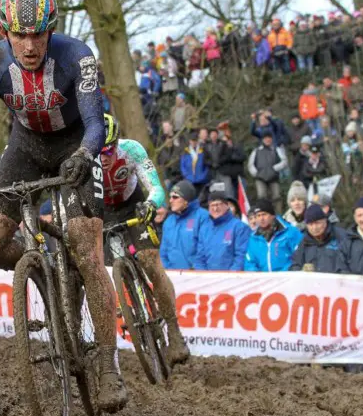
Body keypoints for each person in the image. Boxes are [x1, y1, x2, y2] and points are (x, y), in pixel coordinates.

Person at [0, 0, 127, 412]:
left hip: (76, 146)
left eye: (37, 33)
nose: (28, 45)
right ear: (5, 32)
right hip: (24, 148)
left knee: (89, 255)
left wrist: (83, 155)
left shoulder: (77, 55)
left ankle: (109, 367)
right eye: (19, 35)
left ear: (50, 29)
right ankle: (39, 257)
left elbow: (97, 122)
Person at [100, 114, 189, 364]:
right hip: (102, 211)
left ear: (117, 143)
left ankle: (173, 329)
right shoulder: (84, 157)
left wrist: (151, 204)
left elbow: (157, 188)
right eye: (100, 151)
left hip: (133, 205)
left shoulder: (132, 150)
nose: (105, 157)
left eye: (109, 150)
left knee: (150, 261)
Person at [194, 190, 250, 270]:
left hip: (231, 279)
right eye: (212, 205)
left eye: (218, 205)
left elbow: (241, 256)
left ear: (227, 206)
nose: (215, 209)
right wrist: (203, 275)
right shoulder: (204, 228)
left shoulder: (239, 227)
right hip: (208, 279)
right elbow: (200, 257)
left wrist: (229, 277)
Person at [160, 180, 209, 270]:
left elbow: (205, 249)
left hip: (197, 276)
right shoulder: (169, 221)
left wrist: (196, 271)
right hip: (173, 277)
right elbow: (163, 253)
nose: (170, 200)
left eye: (175, 197)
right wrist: (168, 271)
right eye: (170, 197)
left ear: (186, 200)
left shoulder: (203, 217)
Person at [244, 199, 303, 272]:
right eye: (258, 216)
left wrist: (285, 272)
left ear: (272, 216)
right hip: (263, 281)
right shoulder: (253, 238)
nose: (261, 218)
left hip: (287, 278)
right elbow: (249, 261)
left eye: (264, 214)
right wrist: (256, 274)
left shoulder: (290, 232)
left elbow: (299, 256)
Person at [289, 205, 345, 273]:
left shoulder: (341, 236)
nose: (314, 228)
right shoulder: (304, 242)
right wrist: (302, 271)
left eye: (317, 223)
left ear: (325, 221)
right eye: (310, 224)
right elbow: (295, 265)